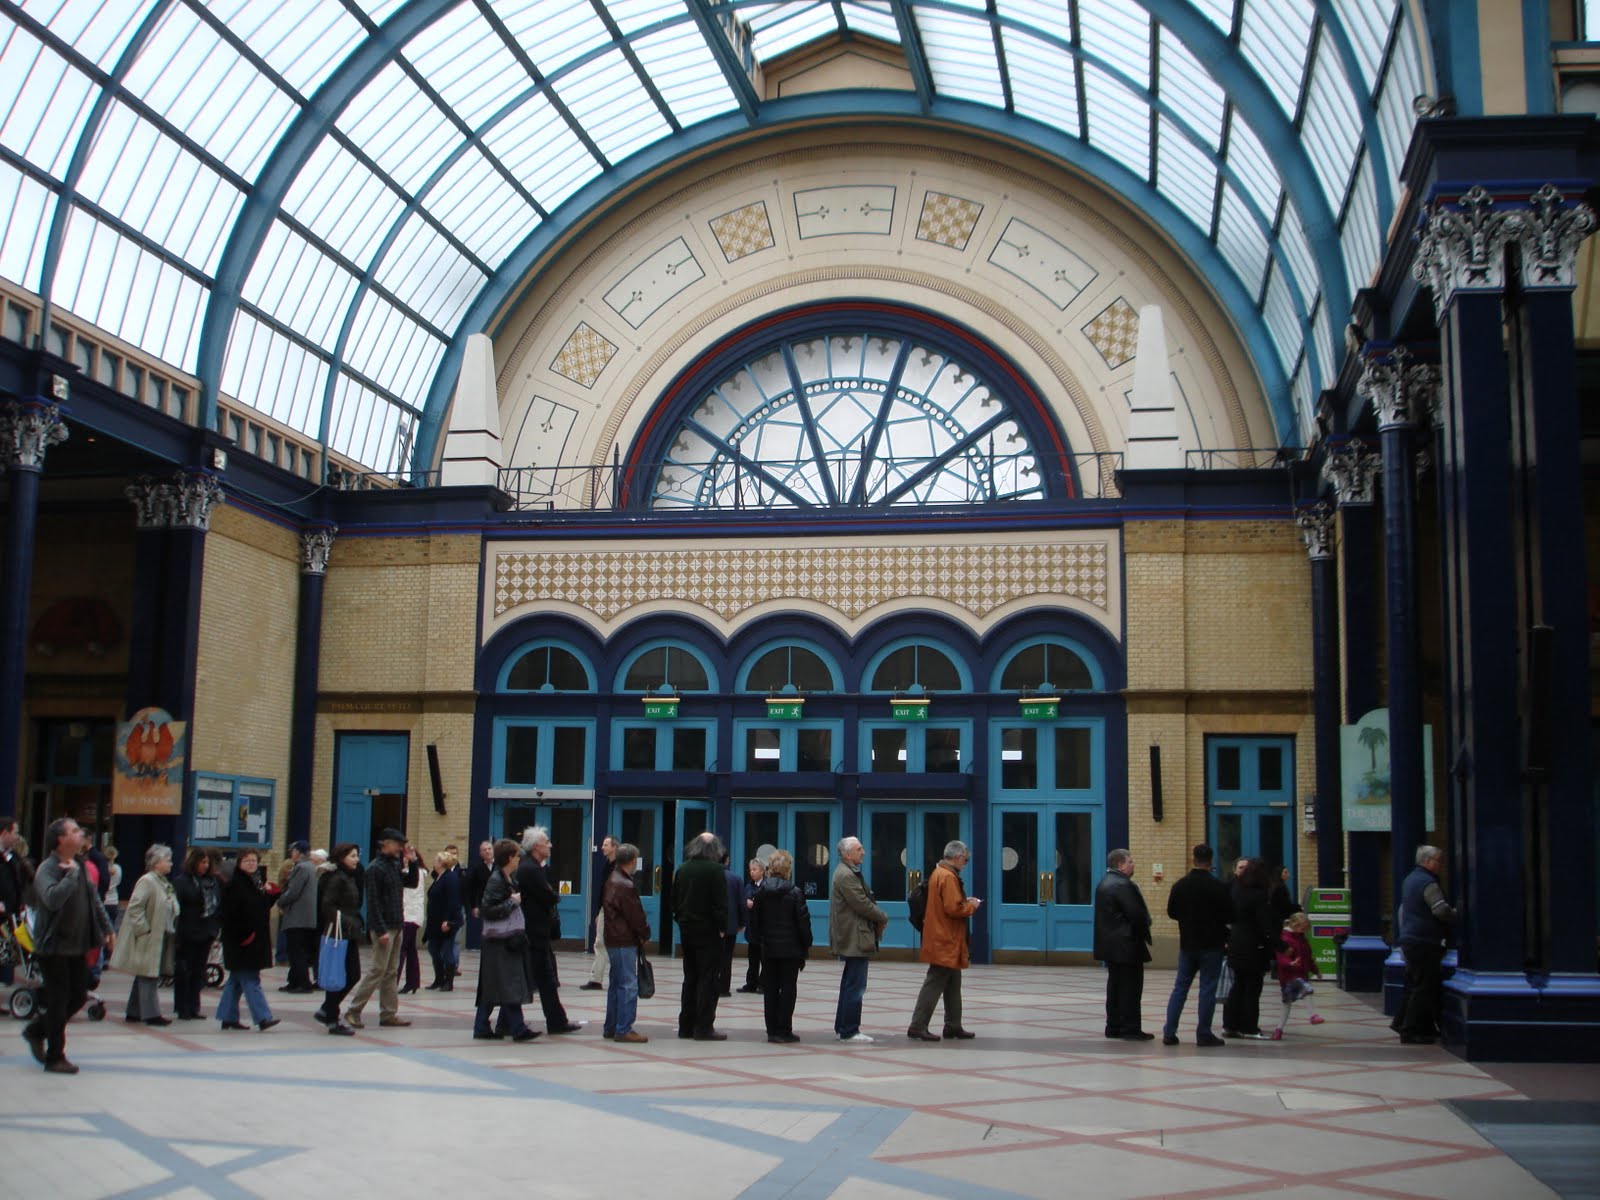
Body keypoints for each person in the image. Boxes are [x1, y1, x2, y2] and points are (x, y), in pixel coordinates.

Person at [21, 818, 114, 1072]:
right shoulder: (47, 869)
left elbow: (94, 900)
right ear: (60, 840)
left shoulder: (82, 865)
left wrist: (107, 928)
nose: (80, 833)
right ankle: (55, 1057)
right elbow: (51, 899)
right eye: (73, 830)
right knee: (59, 1000)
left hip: (77, 945)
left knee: (78, 996)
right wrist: (71, 874)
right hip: (54, 947)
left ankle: (36, 1030)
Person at [340, 828, 414, 1030]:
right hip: (384, 927)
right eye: (397, 844)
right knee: (377, 970)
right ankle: (353, 1011)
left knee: (391, 971)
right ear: (385, 844)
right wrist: (380, 930)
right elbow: (372, 903)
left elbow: (412, 882)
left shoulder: (394, 865)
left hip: (397, 924)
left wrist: (413, 862)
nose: (401, 847)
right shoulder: (374, 869)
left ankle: (389, 1013)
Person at [907, 840, 980, 1042]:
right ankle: (918, 1025)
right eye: (965, 859)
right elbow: (953, 908)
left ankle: (953, 1025)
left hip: (945, 937)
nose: (965, 863)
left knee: (953, 982)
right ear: (957, 857)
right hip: (945, 938)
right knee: (935, 981)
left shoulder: (939, 872)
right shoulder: (947, 877)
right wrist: (971, 905)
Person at [1161, 843, 1233, 1047]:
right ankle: (1203, 1033)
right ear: (1211, 861)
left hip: (1188, 944)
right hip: (1212, 944)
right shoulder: (1218, 887)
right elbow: (1230, 914)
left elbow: (1171, 912)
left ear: (1193, 859)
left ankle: (1169, 1031)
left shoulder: (1181, 885)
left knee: (1180, 987)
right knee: (1207, 988)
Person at [517, 826, 584, 1034]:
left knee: (541, 978)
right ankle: (553, 1021)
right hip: (534, 932)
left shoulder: (532, 867)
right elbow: (550, 896)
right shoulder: (531, 869)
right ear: (537, 846)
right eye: (547, 842)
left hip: (537, 931)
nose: (550, 845)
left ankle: (555, 1020)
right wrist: (553, 894)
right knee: (537, 977)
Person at [474, 838, 539, 1042]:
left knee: (499, 983)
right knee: (506, 982)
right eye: (517, 855)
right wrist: (512, 902)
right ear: (510, 858)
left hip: (507, 939)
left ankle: (484, 1026)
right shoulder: (497, 880)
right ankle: (517, 1028)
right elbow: (488, 910)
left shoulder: (508, 877)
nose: (520, 859)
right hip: (498, 941)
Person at [108, 843, 178, 1025]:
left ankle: (134, 1011)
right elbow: (135, 907)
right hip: (147, 936)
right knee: (148, 974)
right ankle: (152, 1014)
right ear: (156, 862)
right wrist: (144, 930)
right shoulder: (147, 881)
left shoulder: (162, 882)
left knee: (145, 972)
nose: (171, 863)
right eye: (167, 860)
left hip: (158, 934)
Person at [1395, 844, 1457, 1045]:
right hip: (1424, 941)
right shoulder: (1428, 883)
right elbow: (1440, 910)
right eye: (1438, 860)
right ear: (1427, 861)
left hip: (1410, 940)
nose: (1440, 865)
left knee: (1415, 984)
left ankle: (1404, 1023)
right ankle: (1410, 1029)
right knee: (1424, 986)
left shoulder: (1410, 880)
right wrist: (1455, 913)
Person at [671, 831, 729, 1041]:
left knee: (690, 977)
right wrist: (722, 927)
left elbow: (674, 900)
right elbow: (721, 903)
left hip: (688, 931)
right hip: (709, 931)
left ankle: (685, 1025)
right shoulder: (715, 870)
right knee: (708, 979)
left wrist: (682, 919)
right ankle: (703, 1026)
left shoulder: (683, 868)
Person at [829, 835, 887, 1043]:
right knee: (855, 985)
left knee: (850, 983)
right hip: (854, 936)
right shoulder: (846, 875)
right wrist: (882, 916)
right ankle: (850, 1029)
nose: (863, 852)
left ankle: (842, 1025)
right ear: (847, 854)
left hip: (855, 935)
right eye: (859, 849)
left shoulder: (849, 872)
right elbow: (861, 903)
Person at [750, 849, 811, 1043]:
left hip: (768, 949)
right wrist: (806, 945)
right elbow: (803, 923)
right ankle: (784, 1029)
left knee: (770, 989)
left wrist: (760, 939)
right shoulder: (795, 893)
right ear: (788, 870)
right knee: (788, 989)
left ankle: (772, 1031)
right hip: (790, 950)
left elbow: (755, 921)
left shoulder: (761, 893)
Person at [216, 849, 281, 1032]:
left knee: (235, 981)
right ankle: (263, 1017)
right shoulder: (235, 885)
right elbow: (230, 916)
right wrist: (244, 936)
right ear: (239, 863)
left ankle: (227, 1017)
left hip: (254, 939)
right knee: (251, 979)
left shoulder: (255, 883)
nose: (251, 864)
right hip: (242, 941)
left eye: (254, 861)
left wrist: (272, 893)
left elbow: (261, 908)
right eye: (247, 861)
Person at [1094, 848, 1154, 1041]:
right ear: (1120, 864)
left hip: (1111, 945)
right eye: (1130, 861)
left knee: (1115, 986)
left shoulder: (1104, 883)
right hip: (1127, 944)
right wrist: (1145, 925)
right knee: (1131, 988)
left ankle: (1113, 1025)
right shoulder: (1123, 885)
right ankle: (1130, 1027)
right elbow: (1137, 915)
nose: (1133, 864)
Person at [1223, 857, 1278, 1040]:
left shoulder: (1236, 890)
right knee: (1253, 988)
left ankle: (1230, 1025)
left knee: (1238, 985)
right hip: (1254, 947)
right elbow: (1265, 926)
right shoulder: (1259, 896)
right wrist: (1278, 945)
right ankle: (1249, 1026)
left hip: (1236, 943)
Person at [601, 842, 650, 1043]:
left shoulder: (612, 879)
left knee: (616, 983)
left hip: (613, 938)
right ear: (631, 861)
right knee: (628, 984)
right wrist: (645, 932)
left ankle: (611, 1026)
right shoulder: (625, 884)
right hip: (623, 939)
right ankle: (624, 1028)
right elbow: (635, 915)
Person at [314, 843, 362, 1036]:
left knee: (350, 974)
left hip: (348, 932)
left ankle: (328, 1010)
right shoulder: (336, 878)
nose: (356, 859)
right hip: (338, 933)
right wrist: (346, 921)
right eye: (352, 856)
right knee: (343, 974)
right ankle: (330, 1015)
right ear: (342, 858)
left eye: (356, 855)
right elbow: (327, 905)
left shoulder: (348, 876)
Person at [170, 847, 221, 1020]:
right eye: (202, 862)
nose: (205, 866)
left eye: (207, 862)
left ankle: (194, 1006)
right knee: (185, 971)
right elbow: (176, 908)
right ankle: (182, 1007)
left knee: (199, 972)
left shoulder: (211, 882)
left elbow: (216, 906)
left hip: (205, 932)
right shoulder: (182, 881)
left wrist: (214, 930)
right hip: (187, 932)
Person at [1270, 912, 1324, 1039]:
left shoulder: (1301, 939)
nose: (1304, 930)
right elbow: (1281, 957)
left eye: (1305, 928)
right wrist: (1290, 963)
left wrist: (1316, 971)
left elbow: (1308, 958)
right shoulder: (1286, 939)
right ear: (1294, 925)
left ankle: (1279, 1029)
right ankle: (1313, 1015)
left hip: (1299, 974)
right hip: (1289, 975)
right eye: (1302, 928)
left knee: (1286, 1003)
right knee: (1306, 990)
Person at [277, 841, 318, 993]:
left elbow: (293, 891)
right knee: (298, 950)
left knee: (296, 951)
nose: (291, 854)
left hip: (298, 917)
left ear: (299, 852)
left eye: (292, 851)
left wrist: (280, 900)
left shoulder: (301, 867)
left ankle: (303, 983)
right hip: (307, 917)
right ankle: (293, 981)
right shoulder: (311, 867)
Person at [581, 834, 618, 991]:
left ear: (614, 847)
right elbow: (602, 891)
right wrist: (598, 912)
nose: (602, 847)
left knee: (601, 943)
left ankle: (596, 979)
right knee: (601, 943)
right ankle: (596, 978)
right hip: (605, 909)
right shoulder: (607, 865)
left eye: (606, 845)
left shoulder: (616, 867)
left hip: (612, 910)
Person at [425, 848, 464, 990]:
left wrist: (448, 920)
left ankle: (449, 981)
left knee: (447, 951)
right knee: (433, 949)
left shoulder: (451, 878)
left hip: (446, 921)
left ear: (441, 863)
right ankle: (439, 978)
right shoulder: (438, 877)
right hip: (434, 921)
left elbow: (453, 901)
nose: (434, 862)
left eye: (436, 860)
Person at [396, 842, 426, 994]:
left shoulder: (416, 873)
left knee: (401, 949)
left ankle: (394, 981)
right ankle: (413, 982)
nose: (405, 860)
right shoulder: (407, 871)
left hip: (410, 915)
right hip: (411, 914)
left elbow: (410, 894)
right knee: (410, 949)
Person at [720, 848, 746, 997]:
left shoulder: (709, 877)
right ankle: (724, 987)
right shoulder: (735, 878)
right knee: (727, 956)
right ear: (727, 860)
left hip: (712, 926)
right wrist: (742, 922)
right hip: (730, 925)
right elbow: (741, 903)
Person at [1, 816, 24, 986]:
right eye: (15, 832)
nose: (17, 837)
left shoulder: (12, 856)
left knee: (5, 956)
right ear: (4, 833)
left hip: (8, 915)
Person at [464, 839, 493, 947]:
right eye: (484, 850)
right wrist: (475, 906)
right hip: (484, 904)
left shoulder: (500, 867)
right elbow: (474, 889)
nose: (487, 851)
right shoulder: (478, 869)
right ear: (481, 854)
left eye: (489, 849)